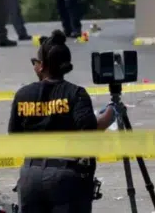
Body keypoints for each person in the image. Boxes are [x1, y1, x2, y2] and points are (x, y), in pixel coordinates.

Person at [8, 29, 115, 213]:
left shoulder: (23, 94)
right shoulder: (75, 94)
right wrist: (109, 117)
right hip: (65, 178)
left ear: (42, 66)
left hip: (30, 175)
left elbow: (14, 136)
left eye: (35, 62)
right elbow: (88, 132)